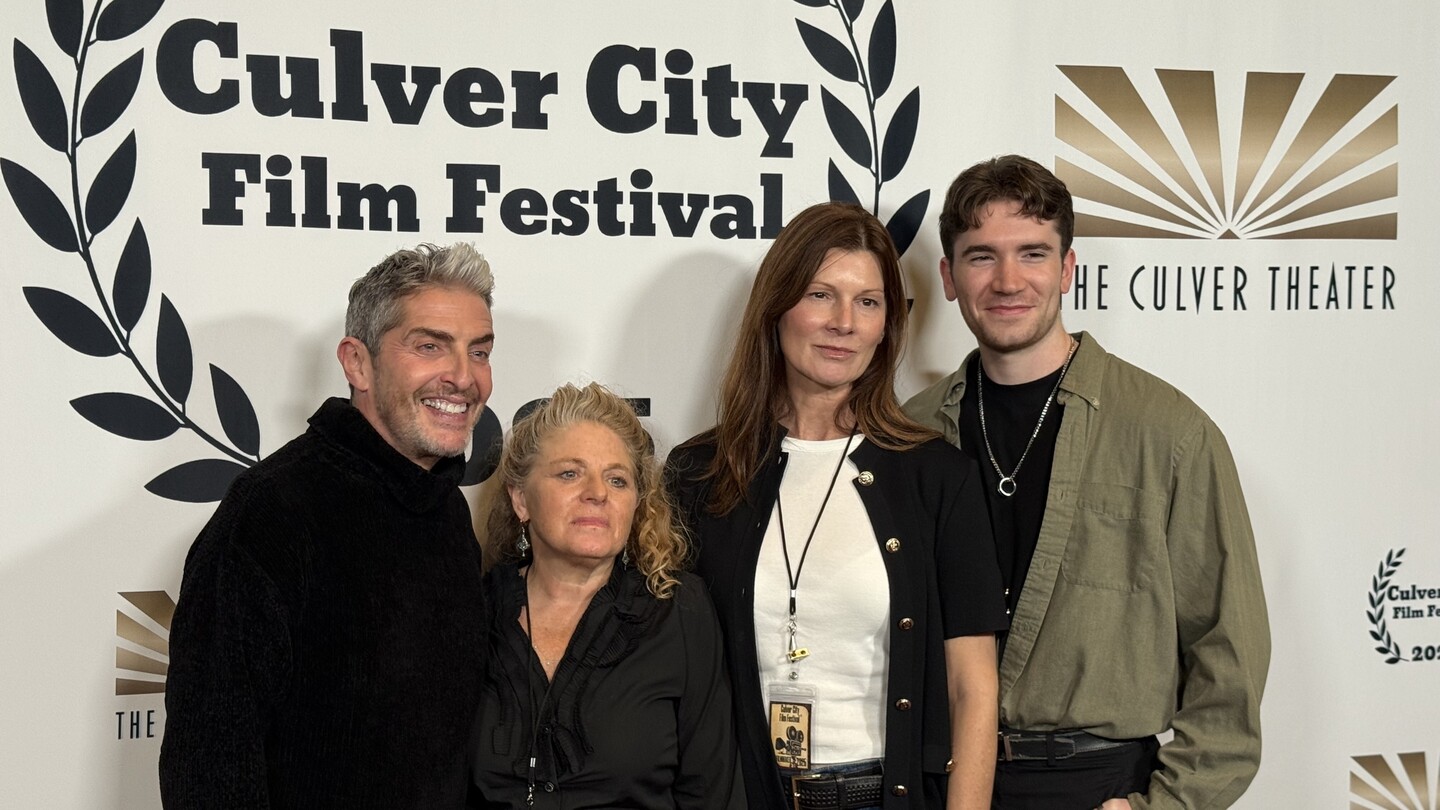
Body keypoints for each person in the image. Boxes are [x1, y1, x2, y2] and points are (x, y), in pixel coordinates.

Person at [903, 155, 1271, 810]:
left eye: (1033, 254)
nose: (1008, 280)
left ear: (1069, 269)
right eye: (982, 256)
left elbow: (1229, 648)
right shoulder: (913, 433)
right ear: (949, 277)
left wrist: (1162, 806)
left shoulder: (1168, 433)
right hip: (942, 781)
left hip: (1096, 788)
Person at [666, 202, 1008, 810]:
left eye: (868, 302)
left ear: (887, 325)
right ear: (777, 307)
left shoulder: (938, 478)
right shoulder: (699, 475)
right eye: (821, 295)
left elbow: (973, 689)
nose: (844, 322)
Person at [160, 243, 497, 809]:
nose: (463, 377)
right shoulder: (271, 513)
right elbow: (209, 768)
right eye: (429, 346)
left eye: (479, 351)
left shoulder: (446, 508)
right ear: (357, 363)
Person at [470, 382, 743, 809]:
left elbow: (711, 791)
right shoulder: (472, 612)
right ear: (520, 498)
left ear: (637, 503)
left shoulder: (679, 612)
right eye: (569, 473)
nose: (597, 493)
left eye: (617, 480)